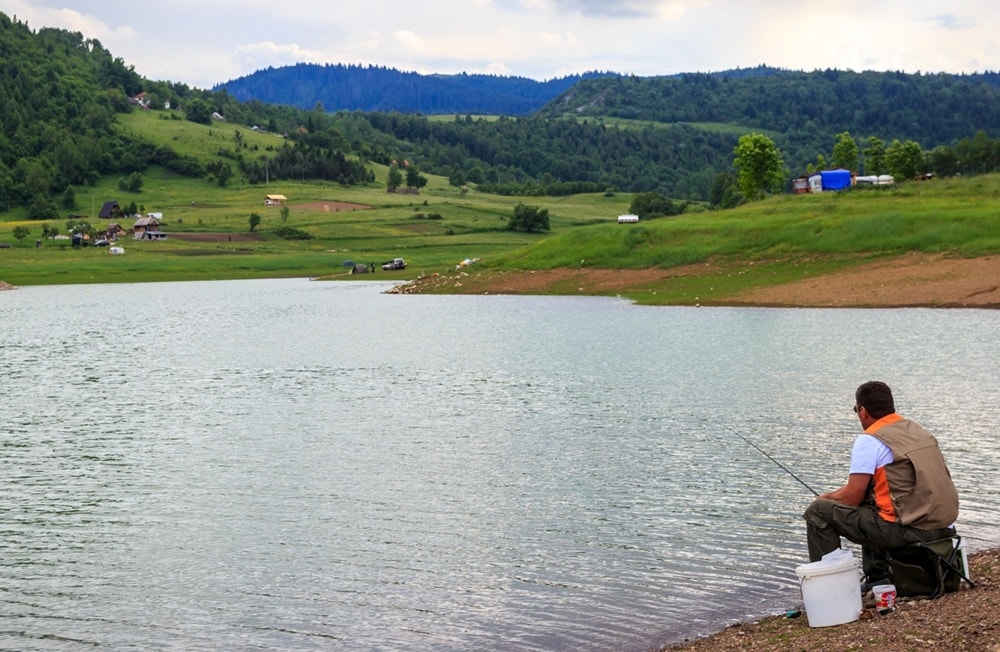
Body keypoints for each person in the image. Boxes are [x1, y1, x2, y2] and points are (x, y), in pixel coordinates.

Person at [803, 380, 959, 588]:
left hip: (911, 530)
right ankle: (878, 578)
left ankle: (831, 587)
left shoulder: (870, 440)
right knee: (872, 501)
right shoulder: (917, 431)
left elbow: (852, 497)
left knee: (818, 511)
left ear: (863, 411)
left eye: (856, 410)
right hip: (944, 526)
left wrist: (826, 497)